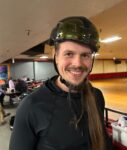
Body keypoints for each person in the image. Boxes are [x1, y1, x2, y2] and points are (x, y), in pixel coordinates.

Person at [9, 16, 113, 150]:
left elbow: (103, 141)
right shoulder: (31, 106)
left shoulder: (96, 96)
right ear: (56, 56)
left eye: (85, 55)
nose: (77, 64)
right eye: (69, 54)